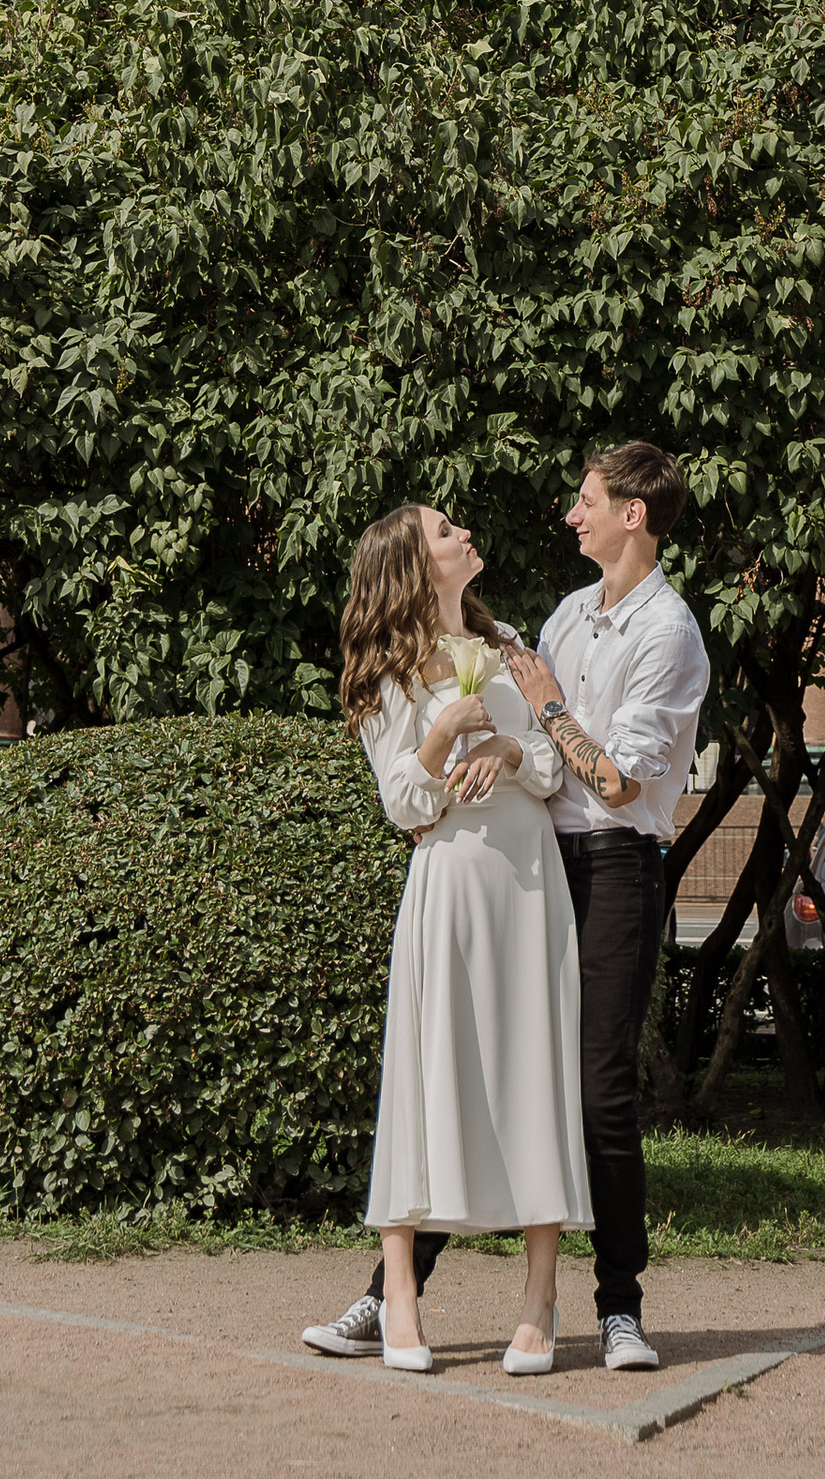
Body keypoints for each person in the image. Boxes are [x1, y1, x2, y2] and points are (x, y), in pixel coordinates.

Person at [310, 445, 707, 1382]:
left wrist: (533, 730)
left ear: (632, 517)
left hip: (610, 860)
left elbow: (610, 777)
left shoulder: (668, 631)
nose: (572, 516)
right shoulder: (565, 615)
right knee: (470, 1066)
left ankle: (616, 1308)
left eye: (586, 502)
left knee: (594, 1086)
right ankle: (389, 1289)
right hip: (527, 858)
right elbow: (448, 765)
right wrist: (488, 749)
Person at [303, 505, 586, 1380]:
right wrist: (440, 729)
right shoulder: (388, 674)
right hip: (449, 879)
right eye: (444, 530)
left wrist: (505, 746)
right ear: (412, 565)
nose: (465, 533)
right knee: (425, 1079)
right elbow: (403, 804)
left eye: (463, 524)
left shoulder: (516, 653)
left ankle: (539, 1303)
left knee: (537, 1071)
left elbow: (552, 766)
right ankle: (397, 1297)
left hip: (529, 879)